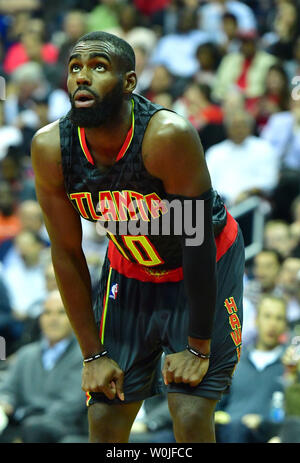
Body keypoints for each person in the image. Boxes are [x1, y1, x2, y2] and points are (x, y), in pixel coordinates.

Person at [31, 31, 244, 443]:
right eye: (75, 67)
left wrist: (198, 346)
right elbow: (67, 253)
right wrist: (92, 355)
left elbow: (196, 240)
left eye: (98, 67)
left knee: (189, 407)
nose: (82, 77)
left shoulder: (166, 137)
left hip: (201, 265)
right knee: (105, 418)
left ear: (129, 82)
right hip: (131, 272)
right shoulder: (50, 148)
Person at [0, 290, 86, 443]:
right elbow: (7, 390)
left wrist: (28, 425)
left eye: (61, 313)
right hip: (21, 424)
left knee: (36, 429)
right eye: (47, 313)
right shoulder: (26, 354)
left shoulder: (83, 357)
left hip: (63, 428)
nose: (53, 319)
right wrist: (5, 404)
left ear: (73, 317)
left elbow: (70, 405)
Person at [215, 295, 287, 443]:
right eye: (267, 316)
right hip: (229, 429)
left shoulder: (289, 365)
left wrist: (262, 421)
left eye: (279, 318)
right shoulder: (235, 359)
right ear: (256, 320)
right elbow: (218, 401)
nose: (273, 324)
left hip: (267, 433)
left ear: (285, 325)